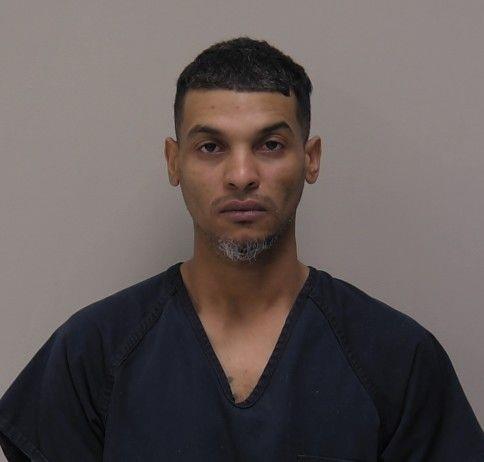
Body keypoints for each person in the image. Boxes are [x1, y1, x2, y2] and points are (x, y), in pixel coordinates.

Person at [0, 37, 482, 462]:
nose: (241, 175)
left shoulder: (396, 359)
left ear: (310, 159)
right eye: (211, 147)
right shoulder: (92, 352)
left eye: (270, 145)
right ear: (174, 162)